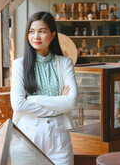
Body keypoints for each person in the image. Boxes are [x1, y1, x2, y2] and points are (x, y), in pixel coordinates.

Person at [10, 11, 78, 165]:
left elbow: (71, 102)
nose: (36, 37)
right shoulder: (20, 65)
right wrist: (59, 104)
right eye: (32, 32)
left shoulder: (65, 63)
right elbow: (18, 105)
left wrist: (34, 99)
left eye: (42, 31)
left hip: (59, 136)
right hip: (27, 135)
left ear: (53, 35)